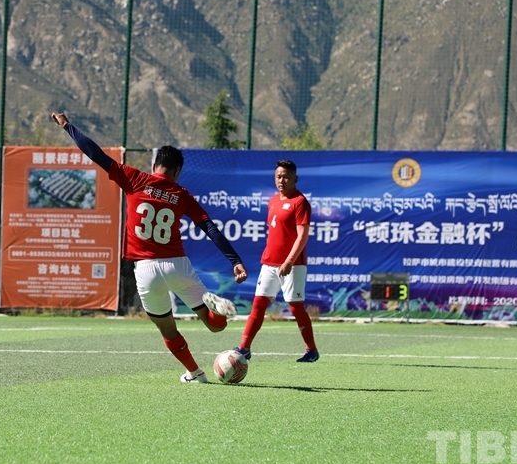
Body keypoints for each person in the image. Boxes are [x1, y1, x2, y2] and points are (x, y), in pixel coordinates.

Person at [52, 111, 248, 383]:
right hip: (177, 265)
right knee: (216, 326)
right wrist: (235, 260)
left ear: (155, 165)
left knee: (168, 330)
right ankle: (214, 307)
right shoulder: (181, 194)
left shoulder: (134, 178)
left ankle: (195, 373)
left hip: (146, 269)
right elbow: (210, 228)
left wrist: (67, 126)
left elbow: (94, 153)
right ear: (177, 171)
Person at [235, 159, 319, 363]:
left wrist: (289, 261)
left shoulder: (300, 202)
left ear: (295, 179)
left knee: (295, 306)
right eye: (278, 176)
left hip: (293, 265)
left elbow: (302, 236)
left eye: (286, 177)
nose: (282, 180)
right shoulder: (273, 201)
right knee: (258, 303)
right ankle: (244, 348)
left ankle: (311, 350)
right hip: (269, 263)